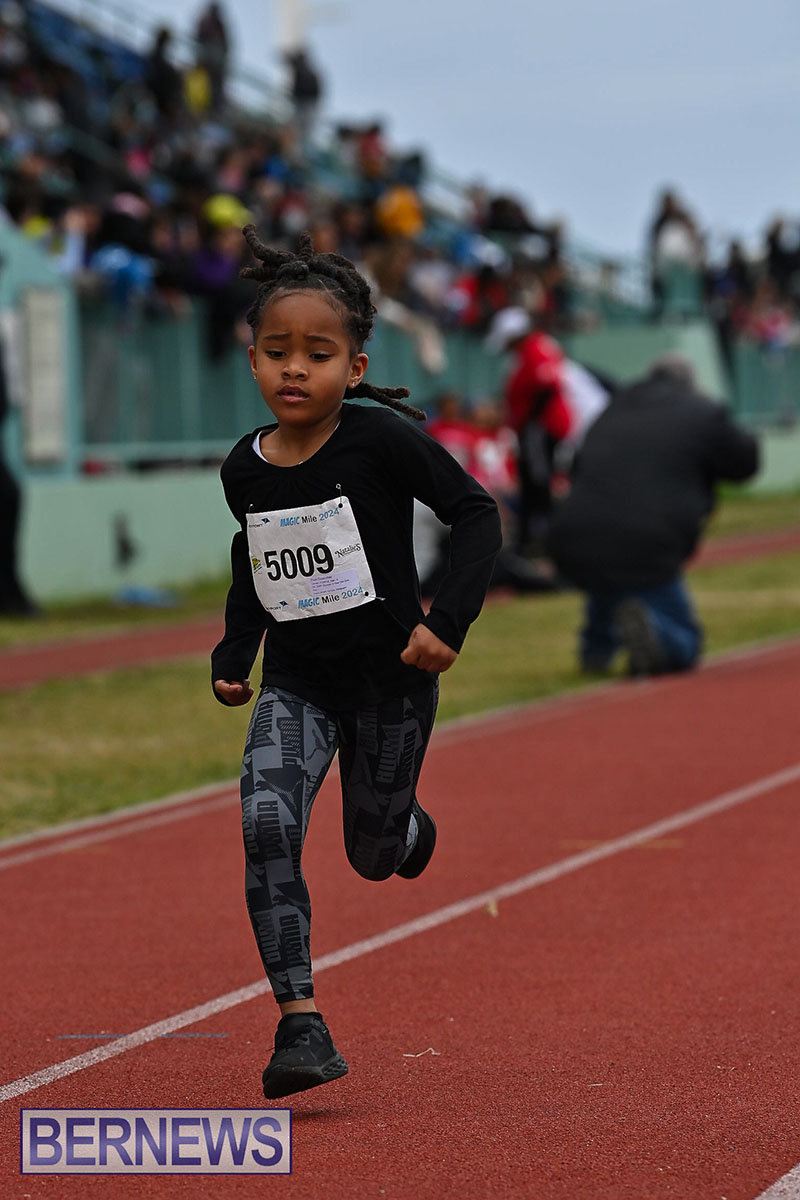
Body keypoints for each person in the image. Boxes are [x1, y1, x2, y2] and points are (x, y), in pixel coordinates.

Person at [211, 227, 502, 1099]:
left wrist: (446, 624)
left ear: (357, 367)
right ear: (254, 362)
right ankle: (299, 1023)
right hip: (298, 686)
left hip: (390, 685)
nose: (295, 370)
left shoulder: (379, 442)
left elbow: (477, 514)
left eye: (318, 354)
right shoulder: (243, 467)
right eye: (278, 353)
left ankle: (406, 830)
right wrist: (236, 651)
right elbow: (253, 559)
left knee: (373, 856)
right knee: (266, 826)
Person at [546, 354, 759, 677]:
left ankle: (597, 647)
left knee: (608, 573)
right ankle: (659, 636)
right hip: (647, 541)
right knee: (684, 641)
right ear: (690, 383)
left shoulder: (613, 409)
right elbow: (745, 464)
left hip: (571, 534)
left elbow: (577, 468)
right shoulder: (701, 411)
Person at [486, 306, 574, 554]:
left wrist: (530, 425)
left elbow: (545, 386)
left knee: (539, 481)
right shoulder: (528, 352)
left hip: (541, 428)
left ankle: (544, 539)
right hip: (534, 428)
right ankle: (532, 538)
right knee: (532, 481)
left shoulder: (536, 348)